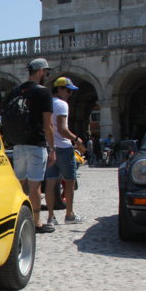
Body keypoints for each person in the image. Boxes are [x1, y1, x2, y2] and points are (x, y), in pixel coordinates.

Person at [8, 58, 56, 233]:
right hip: (36, 144)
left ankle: (16, 218)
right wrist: (52, 149)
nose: (46, 75)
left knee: (19, 183)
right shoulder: (43, 92)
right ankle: (36, 222)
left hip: (18, 144)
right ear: (41, 71)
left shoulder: (15, 91)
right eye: (46, 72)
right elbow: (48, 124)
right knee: (35, 185)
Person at [44, 77, 85, 225]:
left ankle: (50, 217)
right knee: (69, 181)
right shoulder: (62, 105)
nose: (70, 94)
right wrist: (77, 139)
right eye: (68, 90)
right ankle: (69, 215)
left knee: (50, 183)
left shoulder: (46, 104)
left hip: (49, 148)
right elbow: (62, 129)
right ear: (59, 89)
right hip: (64, 148)